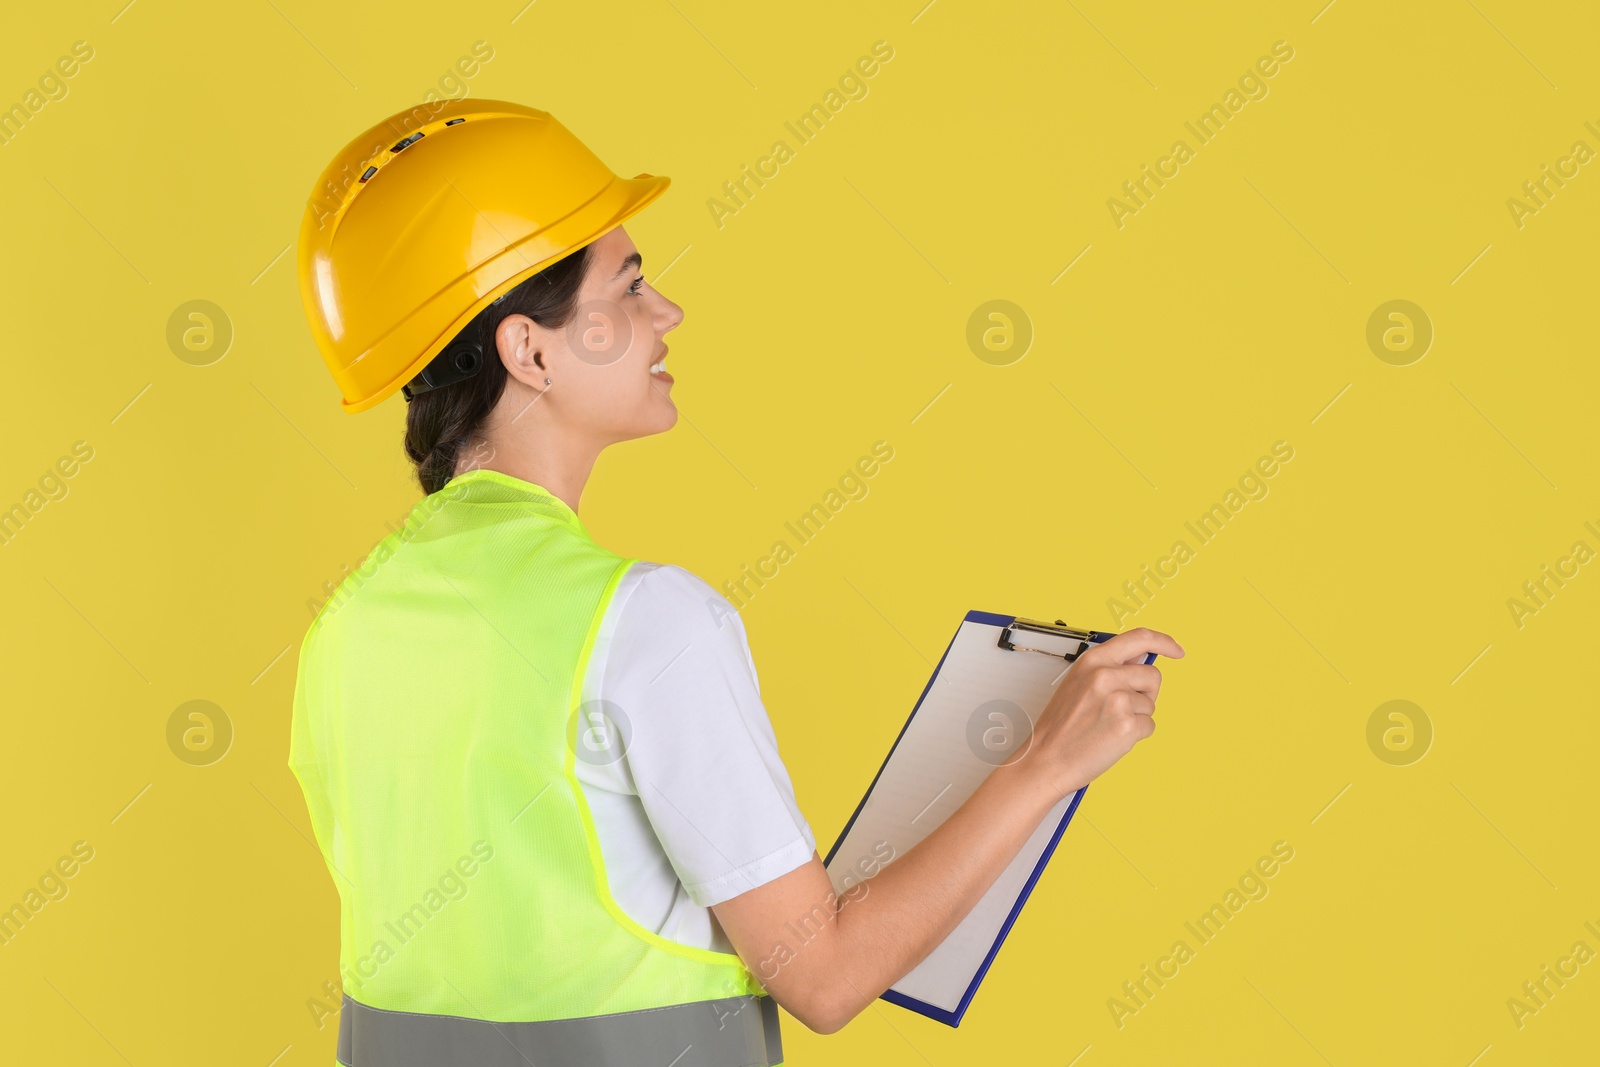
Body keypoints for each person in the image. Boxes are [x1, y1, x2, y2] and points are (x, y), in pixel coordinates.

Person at [290, 99, 1184, 1066]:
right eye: (628, 287)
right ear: (530, 349)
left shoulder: (344, 627)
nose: (665, 313)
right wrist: (1045, 762)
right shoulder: (647, 623)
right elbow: (825, 975)